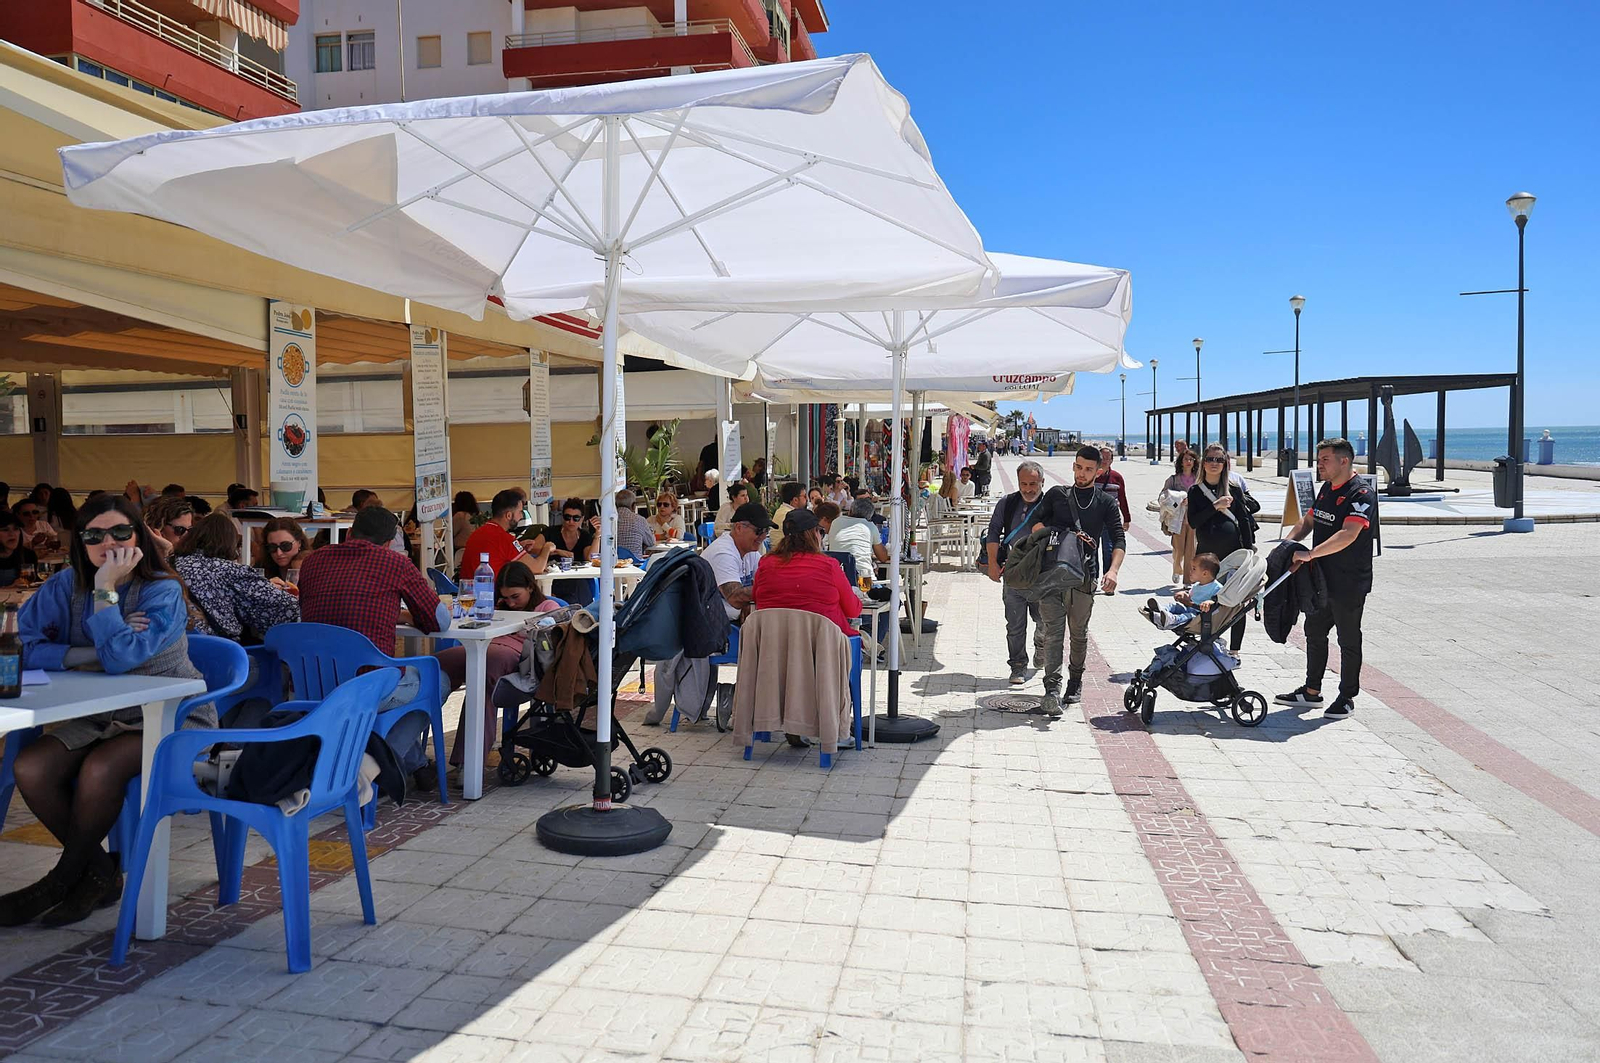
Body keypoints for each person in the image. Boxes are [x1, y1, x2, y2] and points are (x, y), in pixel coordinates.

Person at [2, 495, 208, 927]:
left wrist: (105, 591)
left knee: (99, 770)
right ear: (80, 540)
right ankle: (98, 870)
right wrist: (84, 654)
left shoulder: (162, 590)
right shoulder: (63, 585)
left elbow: (117, 658)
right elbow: (23, 646)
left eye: (120, 532)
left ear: (139, 537)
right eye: (94, 534)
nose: (107, 542)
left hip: (167, 715)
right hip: (100, 715)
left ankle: (60, 879)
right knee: (30, 766)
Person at [297, 506, 451, 782]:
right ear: (390, 542)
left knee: (405, 682)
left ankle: (414, 764)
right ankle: (379, 764)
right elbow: (439, 622)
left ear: (350, 533)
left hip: (315, 682)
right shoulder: (394, 563)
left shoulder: (312, 561)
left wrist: (396, 613)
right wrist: (408, 614)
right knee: (437, 681)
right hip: (367, 684)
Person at [1009, 448, 1126, 714]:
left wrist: (1113, 571)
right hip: (1052, 575)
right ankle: (1052, 689)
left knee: (1079, 633)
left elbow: (1118, 538)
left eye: (1088, 469)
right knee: (1053, 633)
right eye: (1078, 467)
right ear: (1073, 467)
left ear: (1098, 471)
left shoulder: (1105, 503)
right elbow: (1035, 524)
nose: (1082, 473)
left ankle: (1075, 681)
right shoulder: (1057, 495)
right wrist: (1061, 535)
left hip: (1085, 576)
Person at [1276, 438, 1376, 720]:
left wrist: (1311, 554)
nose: (1318, 465)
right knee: (1314, 633)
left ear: (1344, 461)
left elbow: (1348, 534)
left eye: (1325, 460)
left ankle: (1347, 697)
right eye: (1319, 459)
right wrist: (1286, 546)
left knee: (1348, 639)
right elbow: (1308, 521)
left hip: (1349, 582)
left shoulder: (1361, 494)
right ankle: (1311, 691)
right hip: (1320, 580)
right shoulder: (1326, 489)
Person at [645, 501, 769, 728]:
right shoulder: (724, 552)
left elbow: (757, 586)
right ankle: (743, 708)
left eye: (766, 531)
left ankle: (747, 706)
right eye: (759, 530)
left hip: (728, 623)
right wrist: (759, 596)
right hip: (711, 630)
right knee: (772, 647)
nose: (763, 536)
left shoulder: (751, 551)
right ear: (739, 527)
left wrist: (752, 601)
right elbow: (735, 596)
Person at [437, 563, 562, 773]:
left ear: (530, 587)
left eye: (515, 596)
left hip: (516, 658)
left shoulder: (546, 607)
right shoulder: (497, 607)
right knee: (433, 665)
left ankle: (468, 763)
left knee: (485, 676)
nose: (511, 603)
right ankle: (406, 750)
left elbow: (553, 638)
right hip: (483, 651)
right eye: (506, 597)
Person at [171, 513, 300, 643]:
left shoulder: (171, 563)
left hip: (174, 642)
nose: (278, 552)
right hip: (217, 649)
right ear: (229, 542)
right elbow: (287, 607)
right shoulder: (229, 570)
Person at [1185, 444, 1258, 652]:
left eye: (1219, 459)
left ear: (1225, 463)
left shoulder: (1234, 489)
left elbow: (1244, 522)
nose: (1214, 464)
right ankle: (1205, 644)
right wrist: (1215, 506)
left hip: (1234, 553)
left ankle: (1234, 650)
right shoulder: (1196, 491)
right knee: (1204, 600)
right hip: (1207, 556)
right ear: (1203, 463)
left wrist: (1249, 553)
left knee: (1236, 604)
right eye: (1210, 459)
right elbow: (1193, 521)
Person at [985, 460, 1050, 685]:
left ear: (1042, 481)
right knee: (1014, 624)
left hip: (1043, 576)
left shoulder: (1051, 504)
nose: (1029, 489)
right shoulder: (1007, 503)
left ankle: (1041, 643)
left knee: (1044, 622)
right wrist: (993, 563)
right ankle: (1018, 666)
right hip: (1014, 574)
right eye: (1024, 483)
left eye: (1033, 483)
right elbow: (993, 533)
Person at [754, 507, 862, 636]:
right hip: (823, 648)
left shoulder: (766, 564)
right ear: (814, 534)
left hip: (776, 648)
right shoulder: (829, 566)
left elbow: (756, 598)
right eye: (820, 532)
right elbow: (853, 610)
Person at [459, 489, 552, 584]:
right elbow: (537, 568)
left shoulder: (479, 532)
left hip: (469, 592)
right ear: (508, 515)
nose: (521, 516)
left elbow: (498, 553)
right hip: (492, 595)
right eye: (520, 512)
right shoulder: (504, 538)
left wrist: (519, 547)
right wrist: (547, 548)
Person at [542, 497, 599, 606]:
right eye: (567, 517)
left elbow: (591, 558)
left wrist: (597, 535)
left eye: (576, 518)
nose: (571, 521)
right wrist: (557, 551)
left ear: (582, 519)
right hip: (554, 581)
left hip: (578, 583)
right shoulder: (551, 532)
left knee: (579, 585)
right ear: (562, 518)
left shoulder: (584, 536)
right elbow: (534, 547)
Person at [1142, 553, 1222, 630]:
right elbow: (1190, 596)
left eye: (1194, 569)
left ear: (1204, 573)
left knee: (1187, 616)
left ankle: (1172, 619)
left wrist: (1209, 602)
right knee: (1175, 606)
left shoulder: (1216, 587)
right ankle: (1161, 609)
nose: (1190, 571)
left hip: (1199, 615)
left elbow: (1220, 600)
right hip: (1188, 607)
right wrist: (1184, 595)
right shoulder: (1197, 585)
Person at [827, 497, 890, 584]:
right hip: (863, 580)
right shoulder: (870, 526)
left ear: (850, 510)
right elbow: (883, 557)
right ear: (870, 516)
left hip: (838, 578)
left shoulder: (836, 522)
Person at [1162, 450, 1200, 586]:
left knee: (1191, 550)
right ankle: (1177, 568)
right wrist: (1177, 499)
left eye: (1191, 459)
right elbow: (1163, 496)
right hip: (1177, 519)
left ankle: (1187, 581)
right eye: (1186, 459)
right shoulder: (1173, 479)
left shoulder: (1199, 479)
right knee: (1178, 549)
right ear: (1181, 462)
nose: (1188, 462)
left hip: (1193, 518)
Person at [1095, 446, 1133, 575]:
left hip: (1110, 518)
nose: (1105, 461)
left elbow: (1122, 498)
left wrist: (1127, 519)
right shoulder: (1090, 476)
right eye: (1102, 458)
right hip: (1092, 517)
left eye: (1108, 458)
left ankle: (1108, 579)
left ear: (1112, 460)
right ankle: (1092, 580)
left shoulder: (1117, 477)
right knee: (1091, 550)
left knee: (1109, 549)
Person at [141, 494, 195, 561]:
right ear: (158, 527)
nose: (185, 535)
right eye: (179, 530)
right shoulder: (139, 555)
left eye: (190, 530)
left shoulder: (191, 557)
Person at [260, 516, 312, 582]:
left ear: (299, 543)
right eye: (272, 547)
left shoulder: (312, 567)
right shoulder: (261, 569)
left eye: (285, 546)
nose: (279, 553)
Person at [613, 489, 654, 559]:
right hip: (635, 563)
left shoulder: (607, 520)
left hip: (610, 562)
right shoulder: (639, 520)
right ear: (633, 505)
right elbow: (651, 542)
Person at [0, 512, 38, 586]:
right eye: (5, 530)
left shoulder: (28, 555)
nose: (12, 534)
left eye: (16, 529)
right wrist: (9, 588)